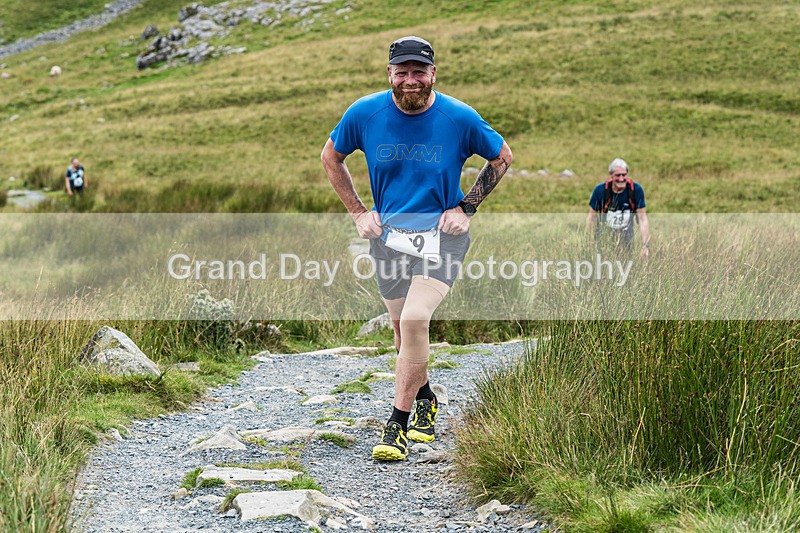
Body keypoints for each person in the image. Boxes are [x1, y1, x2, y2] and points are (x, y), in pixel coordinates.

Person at [321, 36, 512, 461]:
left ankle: (396, 425)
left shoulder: (458, 117)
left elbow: (502, 156)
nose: (411, 80)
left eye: (419, 71)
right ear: (390, 74)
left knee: (414, 319)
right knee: (401, 333)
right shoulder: (364, 113)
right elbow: (331, 157)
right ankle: (426, 398)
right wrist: (358, 213)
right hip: (388, 240)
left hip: (442, 238)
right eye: (402, 71)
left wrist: (466, 207)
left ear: (433, 74)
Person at [586, 158, 650, 259]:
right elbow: (591, 218)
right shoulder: (600, 190)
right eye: (617, 175)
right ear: (611, 175)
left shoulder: (636, 190)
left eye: (624, 175)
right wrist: (589, 244)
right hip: (604, 239)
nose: (621, 179)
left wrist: (645, 246)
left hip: (627, 240)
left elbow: (642, 219)